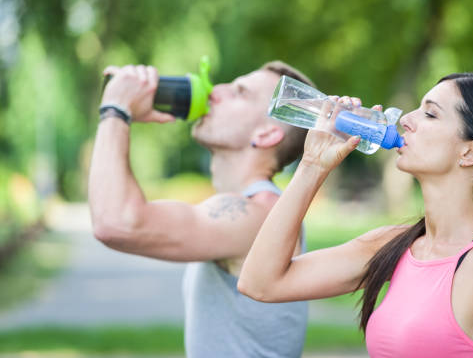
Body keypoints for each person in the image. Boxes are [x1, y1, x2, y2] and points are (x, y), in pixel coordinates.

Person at [238, 73, 473, 357]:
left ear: (472, 152)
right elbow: (261, 283)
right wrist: (312, 166)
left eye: (430, 114)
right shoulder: (392, 245)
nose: (406, 120)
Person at [88, 61, 315, 357]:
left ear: (266, 134)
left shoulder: (258, 216)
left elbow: (116, 223)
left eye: (239, 92)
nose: (215, 91)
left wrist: (116, 110)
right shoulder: (257, 209)